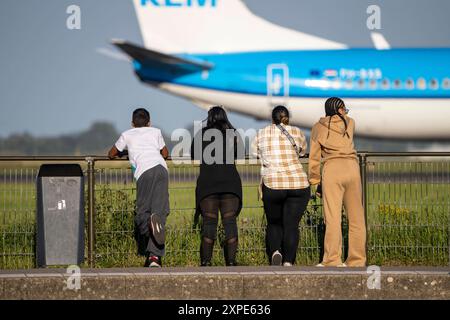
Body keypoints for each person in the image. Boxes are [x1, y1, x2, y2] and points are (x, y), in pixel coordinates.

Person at [309, 97, 366, 267]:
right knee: (356, 218)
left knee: (332, 218)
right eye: (344, 109)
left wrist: (315, 180)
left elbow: (314, 157)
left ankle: (332, 259)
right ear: (340, 110)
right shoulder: (350, 123)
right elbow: (343, 121)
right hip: (352, 168)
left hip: (332, 169)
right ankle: (357, 260)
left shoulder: (318, 127)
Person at [108, 108, 169, 268]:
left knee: (143, 213)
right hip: (162, 169)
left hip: (144, 172)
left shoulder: (127, 134)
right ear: (149, 123)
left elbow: (111, 153)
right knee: (159, 212)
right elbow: (165, 153)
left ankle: (150, 228)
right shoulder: (155, 131)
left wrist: (128, 152)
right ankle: (154, 258)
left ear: (132, 123)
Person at [252, 106, 310, 266]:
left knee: (274, 223)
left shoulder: (261, 133)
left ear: (272, 118)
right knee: (291, 225)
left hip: (273, 184)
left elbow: (255, 153)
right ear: (288, 118)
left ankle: (275, 251)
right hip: (298, 183)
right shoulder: (297, 132)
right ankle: (288, 261)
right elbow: (303, 151)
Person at [191, 106, 243, 266]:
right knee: (230, 223)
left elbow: (193, 154)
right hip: (230, 185)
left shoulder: (201, 134)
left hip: (208, 185)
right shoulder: (233, 134)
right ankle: (232, 262)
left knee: (209, 224)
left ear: (210, 118)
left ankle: (206, 262)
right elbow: (240, 154)